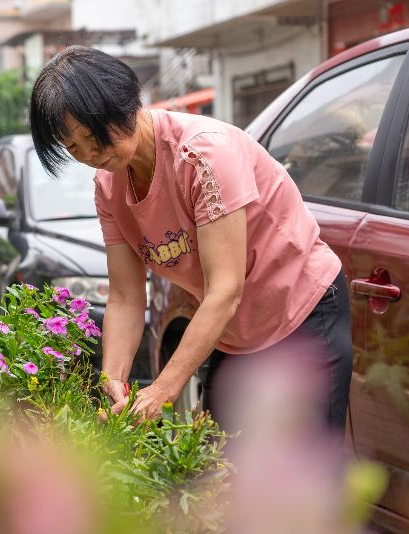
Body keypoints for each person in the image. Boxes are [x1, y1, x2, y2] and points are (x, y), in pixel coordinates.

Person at [28, 45, 353, 434]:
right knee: (223, 472)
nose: (90, 154)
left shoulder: (204, 155)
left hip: (302, 314)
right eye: (73, 147)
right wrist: (112, 378)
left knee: (302, 476)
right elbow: (127, 297)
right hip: (234, 333)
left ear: (124, 104)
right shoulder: (108, 186)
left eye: (92, 135)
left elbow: (225, 290)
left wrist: (162, 389)